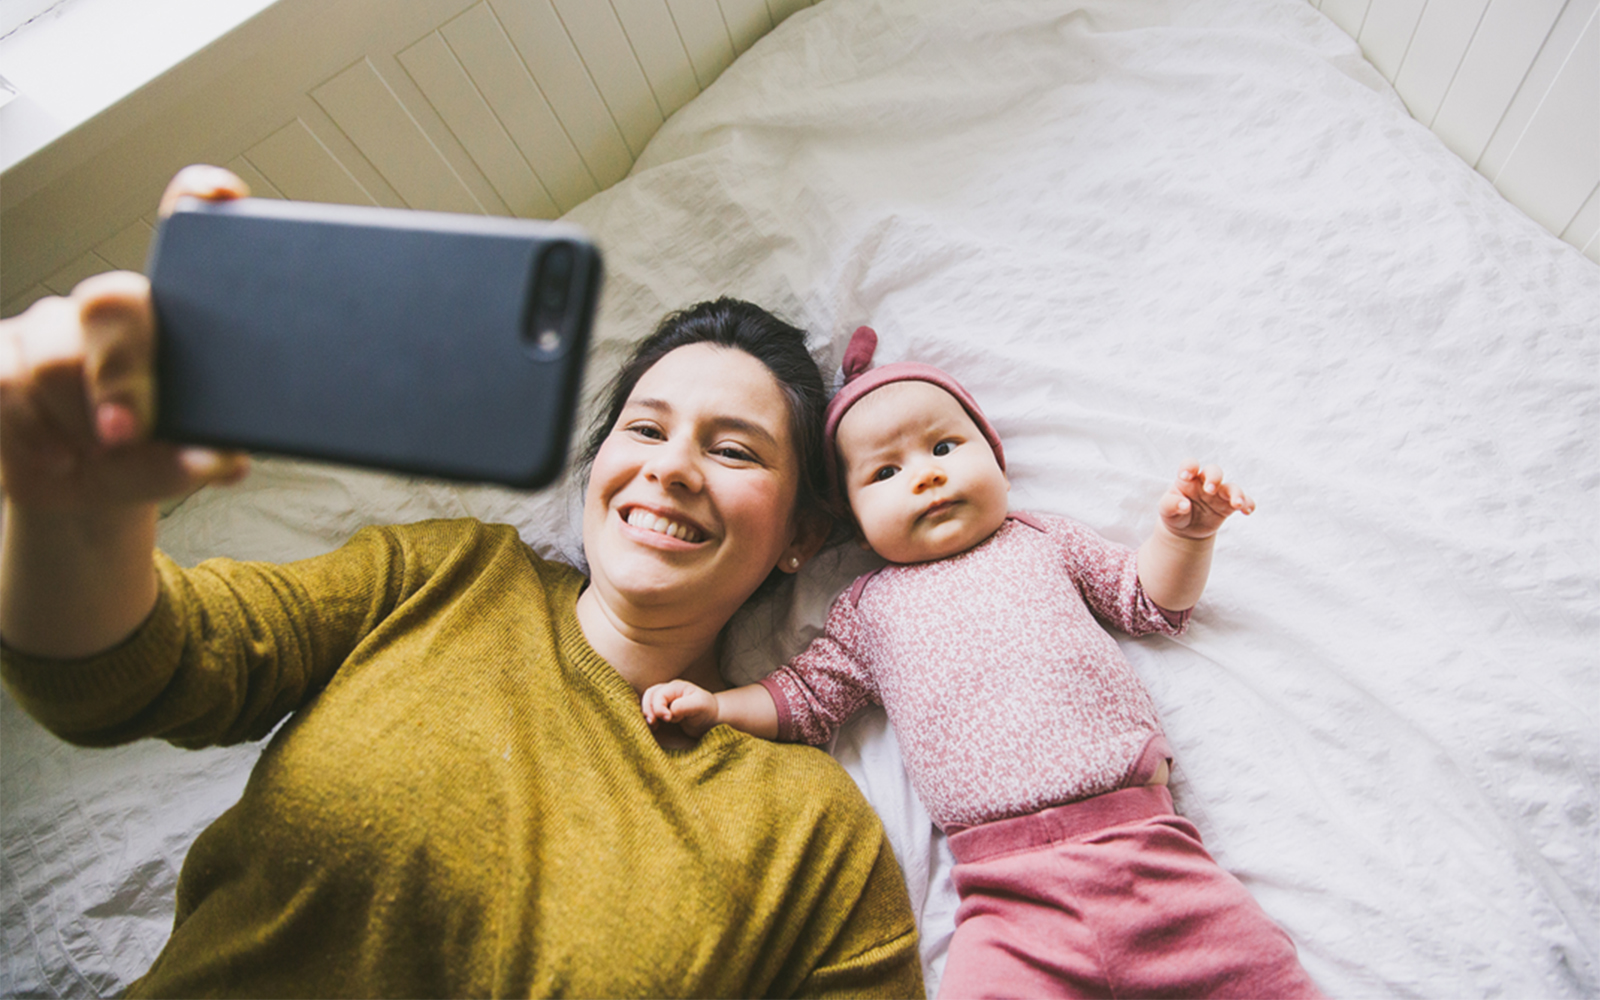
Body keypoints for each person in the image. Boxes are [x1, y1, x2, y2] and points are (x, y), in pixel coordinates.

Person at [0, 167, 924, 998]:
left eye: (730, 450)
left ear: (802, 533)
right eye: (643, 431)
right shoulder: (444, 574)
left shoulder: (811, 838)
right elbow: (139, 674)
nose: (672, 469)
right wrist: (71, 508)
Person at [642, 326, 1325, 998]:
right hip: (1007, 899)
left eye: (944, 446)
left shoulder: (1041, 542)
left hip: (1147, 853)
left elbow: (1147, 599)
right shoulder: (867, 611)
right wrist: (717, 706)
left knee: (1258, 970)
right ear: (851, 514)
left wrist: (1184, 536)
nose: (928, 474)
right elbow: (805, 698)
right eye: (886, 472)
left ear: (994, 457)